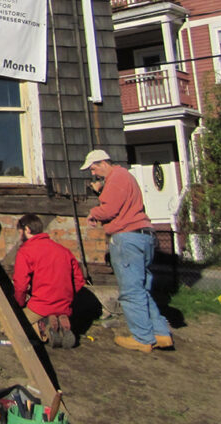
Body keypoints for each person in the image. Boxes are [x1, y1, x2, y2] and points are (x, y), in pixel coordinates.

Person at [82, 149, 173, 352]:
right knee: (142, 289)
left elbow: (110, 209)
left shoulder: (116, 179)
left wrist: (93, 212)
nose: (93, 172)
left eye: (93, 167)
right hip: (144, 235)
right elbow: (120, 204)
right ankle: (161, 333)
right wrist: (101, 192)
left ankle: (142, 338)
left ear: (103, 162)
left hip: (127, 238)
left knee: (131, 291)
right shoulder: (125, 177)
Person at [12, 213, 85, 348]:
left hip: (40, 305)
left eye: (20, 232)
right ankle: (57, 320)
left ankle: (44, 329)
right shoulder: (64, 250)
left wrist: (19, 304)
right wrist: (66, 296)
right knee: (53, 310)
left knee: (9, 327)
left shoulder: (26, 251)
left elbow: (21, 285)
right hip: (64, 304)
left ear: (27, 229)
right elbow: (79, 280)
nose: (20, 236)